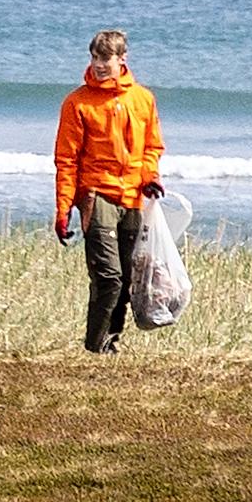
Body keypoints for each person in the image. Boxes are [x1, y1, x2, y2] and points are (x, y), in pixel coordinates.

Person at [51, 29, 165, 352]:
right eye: (95, 58)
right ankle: (95, 344)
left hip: (132, 197)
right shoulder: (77, 103)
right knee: (109, 277)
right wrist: (63, 209)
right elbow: (66, 160)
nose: (100, 65)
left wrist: (150, 177)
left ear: (122, 59)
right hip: (95, 195)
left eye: (106, 59)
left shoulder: (142, 99)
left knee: (128, 279)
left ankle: (112, 339)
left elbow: (152, 147)